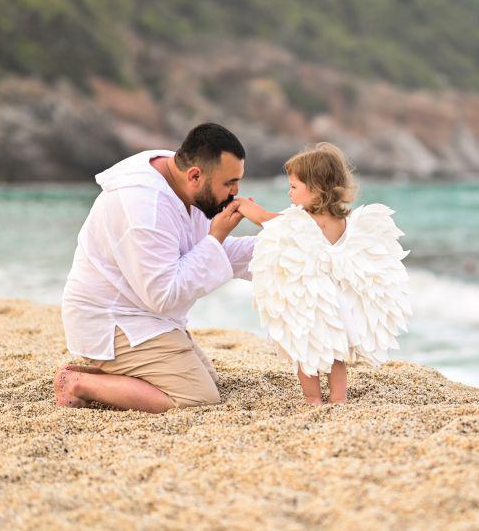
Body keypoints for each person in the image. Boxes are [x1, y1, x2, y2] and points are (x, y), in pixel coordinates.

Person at [55, 123, 255, 413]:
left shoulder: (178, 175)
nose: (236, 193)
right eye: (229, 183)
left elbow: (212, 253)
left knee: (208, 381)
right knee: (196, 397)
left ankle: (105, 377)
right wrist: (216, 236)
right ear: (195, 175)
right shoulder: (145, 208)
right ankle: (77, 383)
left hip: (147, 314)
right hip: (113, 321)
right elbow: (163, 294)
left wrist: (282, 248)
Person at [235, 143, 412, 404]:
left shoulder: (301, 220)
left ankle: (313, 399)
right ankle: (338, 400)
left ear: (316, 189)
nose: (289, 193)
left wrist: (240, 204)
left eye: (294, 187)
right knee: (337, 354)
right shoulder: (343, 221)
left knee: (304, 351)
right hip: (338, 302)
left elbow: (266, 219)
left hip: (311, 301)